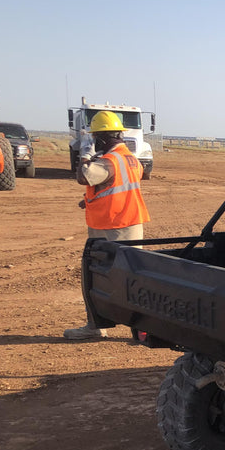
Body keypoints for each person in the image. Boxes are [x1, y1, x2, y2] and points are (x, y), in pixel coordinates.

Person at [64, 110, 150, 340]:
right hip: (130, 223)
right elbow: (119, 187)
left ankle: (95, 325)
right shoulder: (131, 159)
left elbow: (85, 176)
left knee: (96, 276)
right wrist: (90, 200)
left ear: (101, 138)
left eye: (95, 139)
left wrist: (84, 154)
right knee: (132, 278)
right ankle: (143, 330)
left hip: (111, 227)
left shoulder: (109, 161)